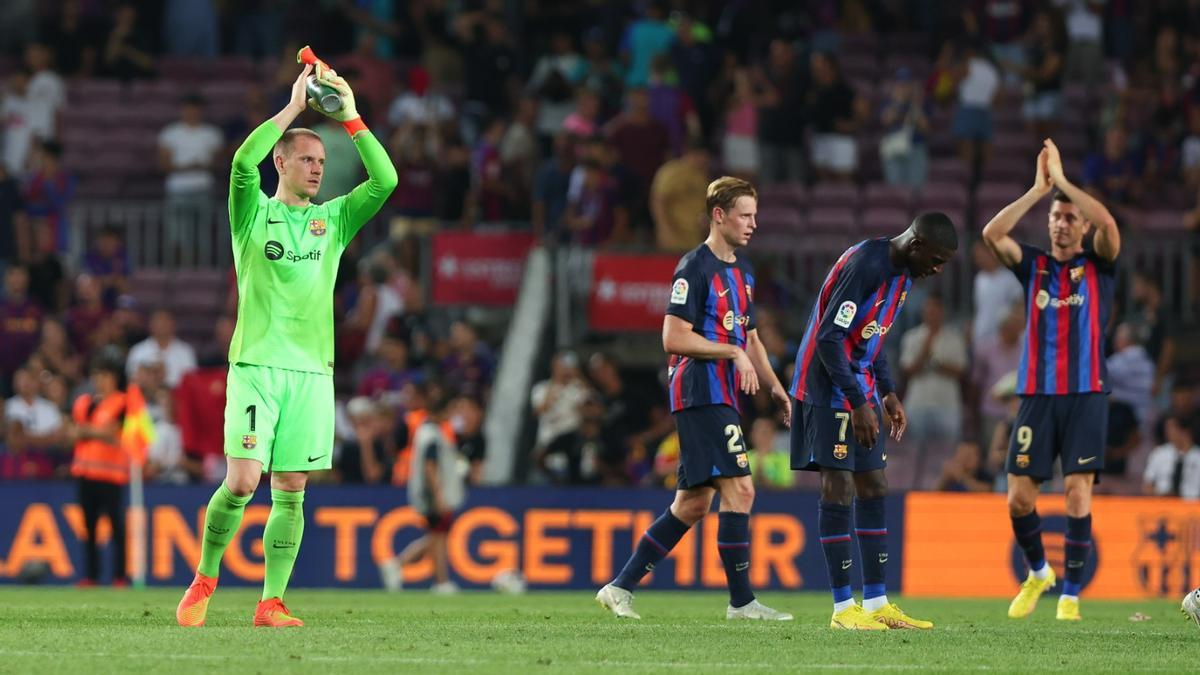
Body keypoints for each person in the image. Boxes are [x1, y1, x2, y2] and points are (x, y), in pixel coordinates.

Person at [175, 60, 396, 628]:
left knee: (291, 491)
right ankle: (205, 576)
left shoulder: (334, 222)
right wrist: (296, 105)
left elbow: (386, 181)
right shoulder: (252, 214)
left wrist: (349, 118)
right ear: (282, 162)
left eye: (322, 162)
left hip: (312, 375)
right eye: (307, 159)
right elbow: (241, 160)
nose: (318, 169)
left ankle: (270, 602)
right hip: (256, 366)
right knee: (244, 480)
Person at [596, 177, 793, 621]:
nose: (753, 224)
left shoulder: (743, 272)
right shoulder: (693, 268)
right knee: (741, 490)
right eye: (745, 215)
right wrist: (732, 351)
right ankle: (742, 603)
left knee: (693, 504)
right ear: (719, 216)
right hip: (700, 389)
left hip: (722, 392)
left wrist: (778, 388)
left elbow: (752, 337)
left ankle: (619, 587)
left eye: (755, 215)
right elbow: (673, 335)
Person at [790, 211, 958, 630]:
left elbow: (871, 335)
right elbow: (830, 338)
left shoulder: (903, 274)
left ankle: (878, 602)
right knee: (839, 483)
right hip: (825, 385)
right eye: (935, 260)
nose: (936, 271)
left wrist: (886, 391)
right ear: (916, 245)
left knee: (875, 484)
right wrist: (857, 402)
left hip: (858, 386)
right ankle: (843, 609)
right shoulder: (866, 264)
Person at [981, 139, 1120, 622]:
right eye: (1056, 218)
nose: (1061, 224)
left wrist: (1063, 183)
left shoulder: (1099, 265)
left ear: (1080, 226)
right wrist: (1039, 191)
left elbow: (1108, 225)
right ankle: (1039, 571)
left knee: (1078, 491)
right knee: (1019, 498)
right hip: (1037, 394)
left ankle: (1071, 597)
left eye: (1068, 218)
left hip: (1085, 394)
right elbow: (992, 233)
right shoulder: (1034, 267)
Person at [68, 355, 150, 586]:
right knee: (89, 529)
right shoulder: (84, 402)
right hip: (85, 474)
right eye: (96, 375)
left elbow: (114, 433)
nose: (99, 380)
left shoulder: (124, 402)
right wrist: (95, 432)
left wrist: (88, 431)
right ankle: (91, 576)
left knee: (116, 529)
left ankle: (119, 577)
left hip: (111, 476)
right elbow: (73, 432)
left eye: (104, 374)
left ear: (114, 377)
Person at [379, 385, 464, 593]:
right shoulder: (433, 434)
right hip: (432, 494)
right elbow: (430, 467)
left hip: (429, 493)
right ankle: (440, 581)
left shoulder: (425, 430)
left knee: (437, 536)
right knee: (438, 537)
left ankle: (399, 564)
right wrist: (438, 495)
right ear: (443, 411)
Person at [125, 310, 197, 389]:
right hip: (144, 398)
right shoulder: (138, 351)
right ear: (150, 325)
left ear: (173, 324)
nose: (162, 325)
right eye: (158, 322)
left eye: (165, 322)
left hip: (177, 398)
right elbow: (132, 381)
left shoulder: (186, 352)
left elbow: (192, 383)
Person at [1142, 415, 1200, 499]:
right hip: (1162, 505)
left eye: (1172, 429)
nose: (1168, 433)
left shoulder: (1198, 456)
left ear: (1185, 431)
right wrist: (1160, 494)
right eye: (1167, 429)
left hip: (1193, 506)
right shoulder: (1159, 454)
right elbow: (1147, 487)